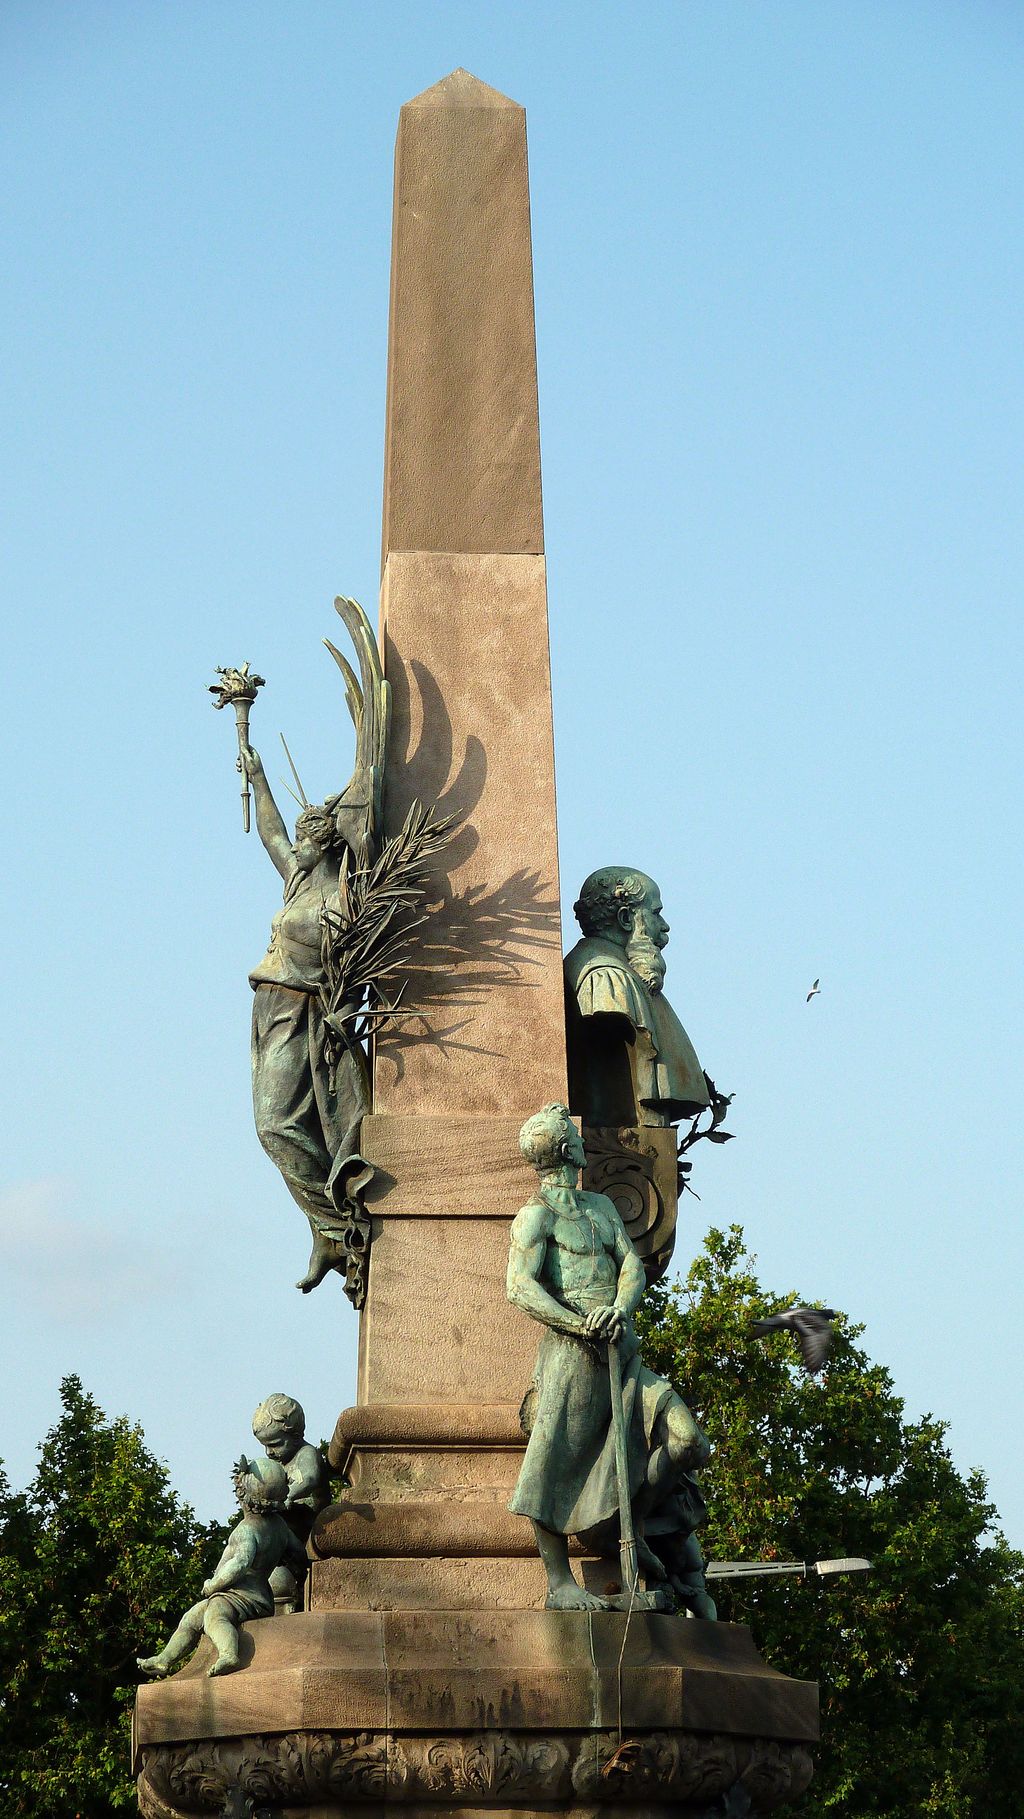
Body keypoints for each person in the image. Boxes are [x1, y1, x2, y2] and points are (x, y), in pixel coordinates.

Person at [506, 1102, 715, 1616]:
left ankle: (633, 1522)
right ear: (562, 1148)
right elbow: (519, 1287)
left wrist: (618, 1310)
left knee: (688, 1443)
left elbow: (631, 1267)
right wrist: (581, 1324)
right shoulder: (537, 1215)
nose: (581, 1139)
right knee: (552, 1465)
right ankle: (559, 1582)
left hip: (623, 1348)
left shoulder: (600, 1207)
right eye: (571, 1136)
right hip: (572, 1355)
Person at [241, 743, 372, 1294]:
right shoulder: (298, 881)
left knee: (276, 1125)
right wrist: (258, 773)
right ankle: (327, 1229)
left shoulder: (340, 902)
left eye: (302, 840)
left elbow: (347, 967)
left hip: (301, 1010)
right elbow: (269, 832)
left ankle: (336, 1224)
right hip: (266, 1004)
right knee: (272, 1125)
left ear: (323, 845)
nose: (291, 847)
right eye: (295, 841)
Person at [564, 867, 709, 1130]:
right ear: (626, 918)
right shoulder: (608, 979)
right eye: (656, 913)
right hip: (620, 1150)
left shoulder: (626, 975)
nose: (665, 926)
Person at [137, 1457, 305, 1679]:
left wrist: (213, 1584)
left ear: (244, 1496)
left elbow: (239, 1565)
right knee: (191, 1617)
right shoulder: (279, 1527)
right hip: (257, 1596)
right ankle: (164, 1660)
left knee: (214, 1616)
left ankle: (228, 1655)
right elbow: (298, 1552)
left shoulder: (247, 1530)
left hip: (243, 1597)